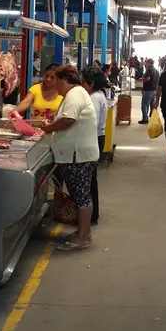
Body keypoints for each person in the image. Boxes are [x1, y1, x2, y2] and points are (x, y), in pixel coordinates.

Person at [41, 66, 100, 250]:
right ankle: (85, 232)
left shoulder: (75, 94)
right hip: (76, 155)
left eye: (56, 80)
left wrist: (48, 128)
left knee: (81, 196)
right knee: (79, 195)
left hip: (78, 156)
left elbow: (68, 120)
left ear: (64, 80)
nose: (54, 85)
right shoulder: (76, 94)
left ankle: (82, 237)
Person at [81, 67, 111, 225]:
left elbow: (92, 123)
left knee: (89, 180)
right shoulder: (99, 95)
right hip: (97, 137)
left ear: (91, 83)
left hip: (94, 138)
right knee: (91, 179)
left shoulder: (94, 98)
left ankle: (91, 215)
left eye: (83, 81)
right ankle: (93, 214)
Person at [139, 58, 159, 124]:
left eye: (146, 63)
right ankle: (152, 118)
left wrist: (143, 79)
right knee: (152, 105)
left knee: (145, 104)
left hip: (148, 90)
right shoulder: (156, 71)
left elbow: (147, 78)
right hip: (154, 90)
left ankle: (145, 119)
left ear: (148, 63)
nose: (145, 64)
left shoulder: (148, 70)